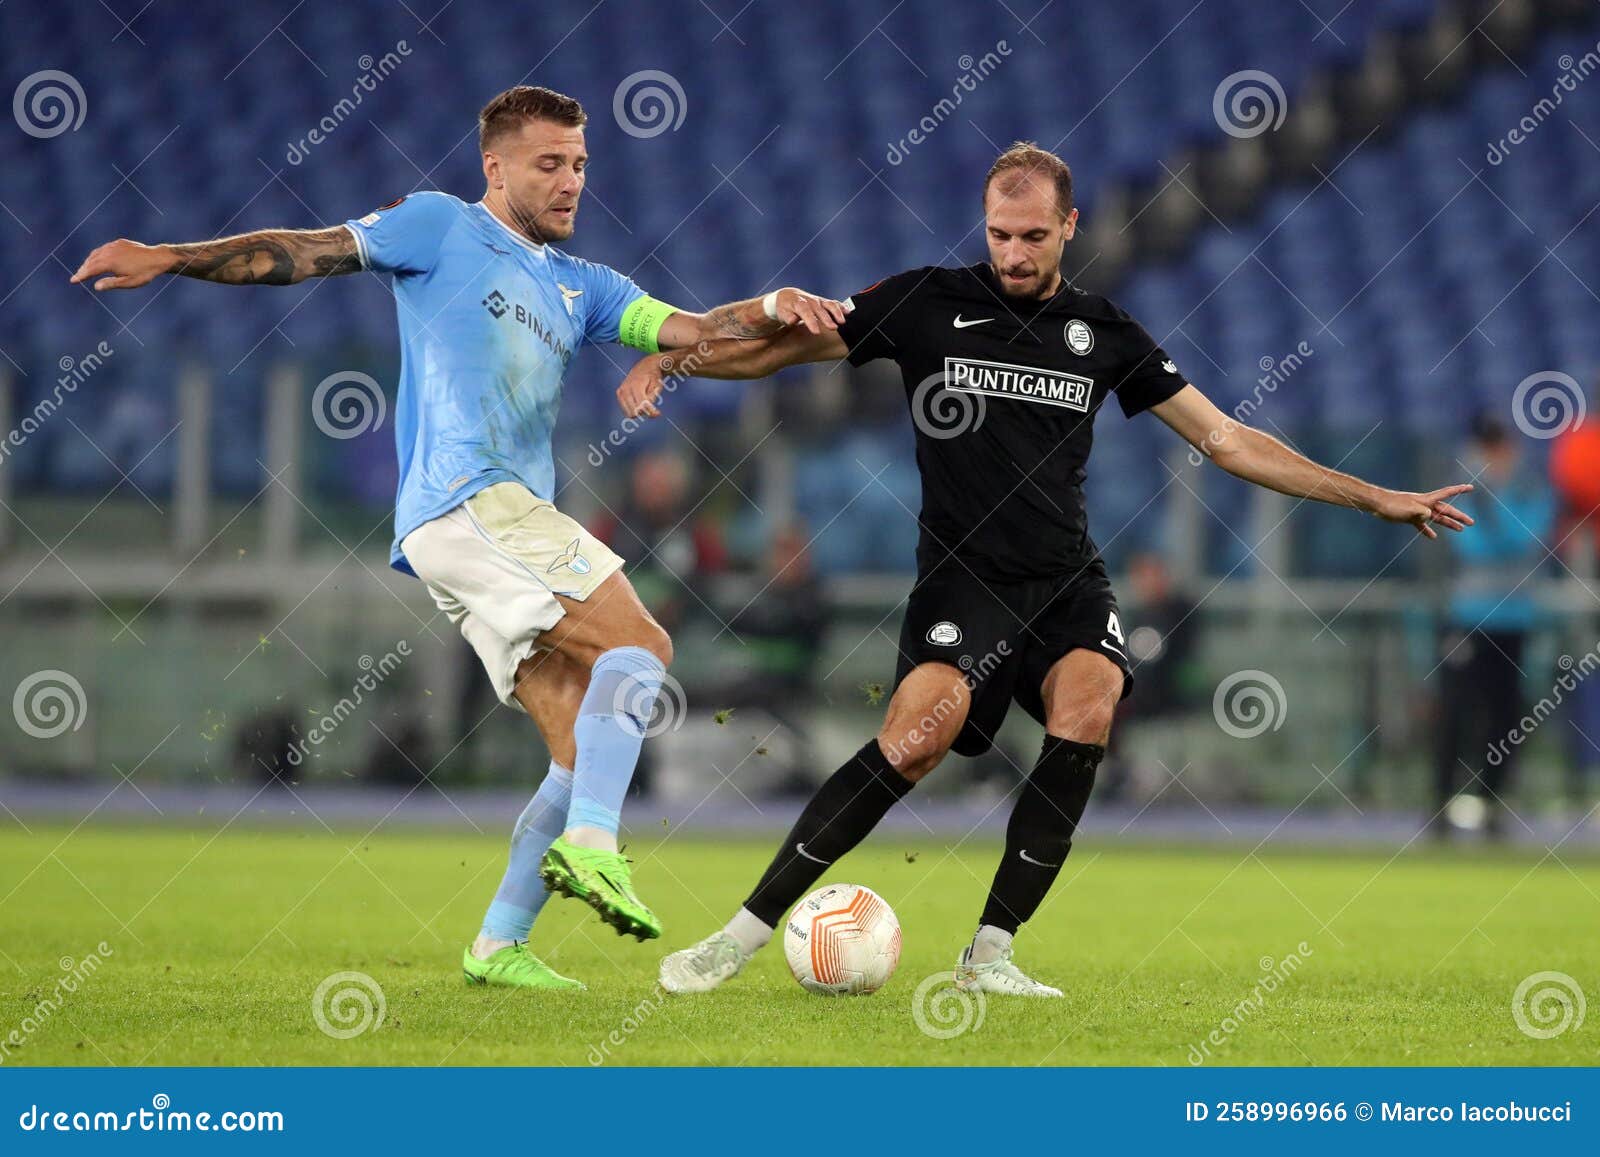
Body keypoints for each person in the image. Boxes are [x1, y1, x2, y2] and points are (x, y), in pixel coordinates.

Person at [619, 141, 1476, 997]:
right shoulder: (927, 301)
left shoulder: (1103, 332)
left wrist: (1374, 497)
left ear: (1068, 225)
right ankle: (735, 938)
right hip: (962, 577)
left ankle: (990, 955)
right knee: (918, 741)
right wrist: (677, 355)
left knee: (1091, 700)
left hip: (1066, 579)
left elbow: (1227, 439)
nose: (1014, 254)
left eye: (1032, 236)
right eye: (999, 234)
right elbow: (779, 348)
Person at [71, 84, 844, 989]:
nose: (569, 183)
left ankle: (498, 943)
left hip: (482, 528)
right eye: (549, 163)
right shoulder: (439, 226)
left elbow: (696, 330)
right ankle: (597, 843)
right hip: (470, 501)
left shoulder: (585, 286)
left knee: (576, 744)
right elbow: (309, 253)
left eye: (581, 165)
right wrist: (169, 256)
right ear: (496, 165)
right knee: (643, 643)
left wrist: (773, 301)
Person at [1433, 413, 1553, 839]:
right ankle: (1441, 806)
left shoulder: (1528, 487)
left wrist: (1496, 518)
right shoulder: (1462, 490)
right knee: (1456, 712)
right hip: (1468, 617)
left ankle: (1492, 805)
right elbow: (1471, 545)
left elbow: (1529, 537)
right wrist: (1499, 525)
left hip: (1515, 618)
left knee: (1506, 717)